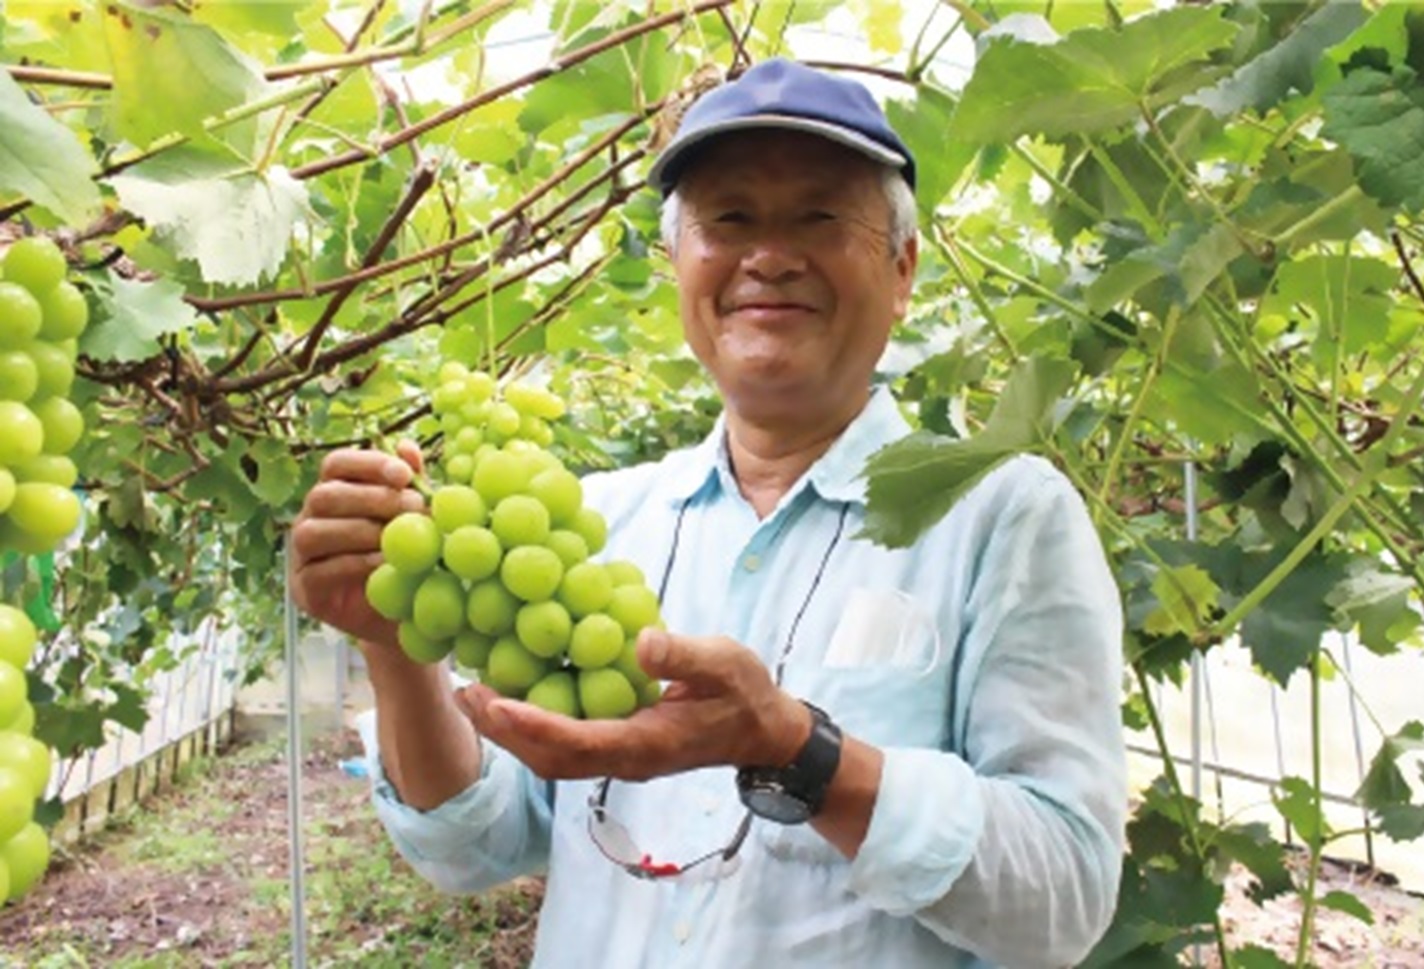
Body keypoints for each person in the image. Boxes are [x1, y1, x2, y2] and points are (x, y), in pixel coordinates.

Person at [288, 59, 1126, 969]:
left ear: (902, 269)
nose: (768, 254)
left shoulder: (1002, 516)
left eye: (819, 217)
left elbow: (1064, 900)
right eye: (728, 220)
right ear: (680, 265)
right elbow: (476, 845)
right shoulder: (600, 527)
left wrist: (803, 756)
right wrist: (393, 651)